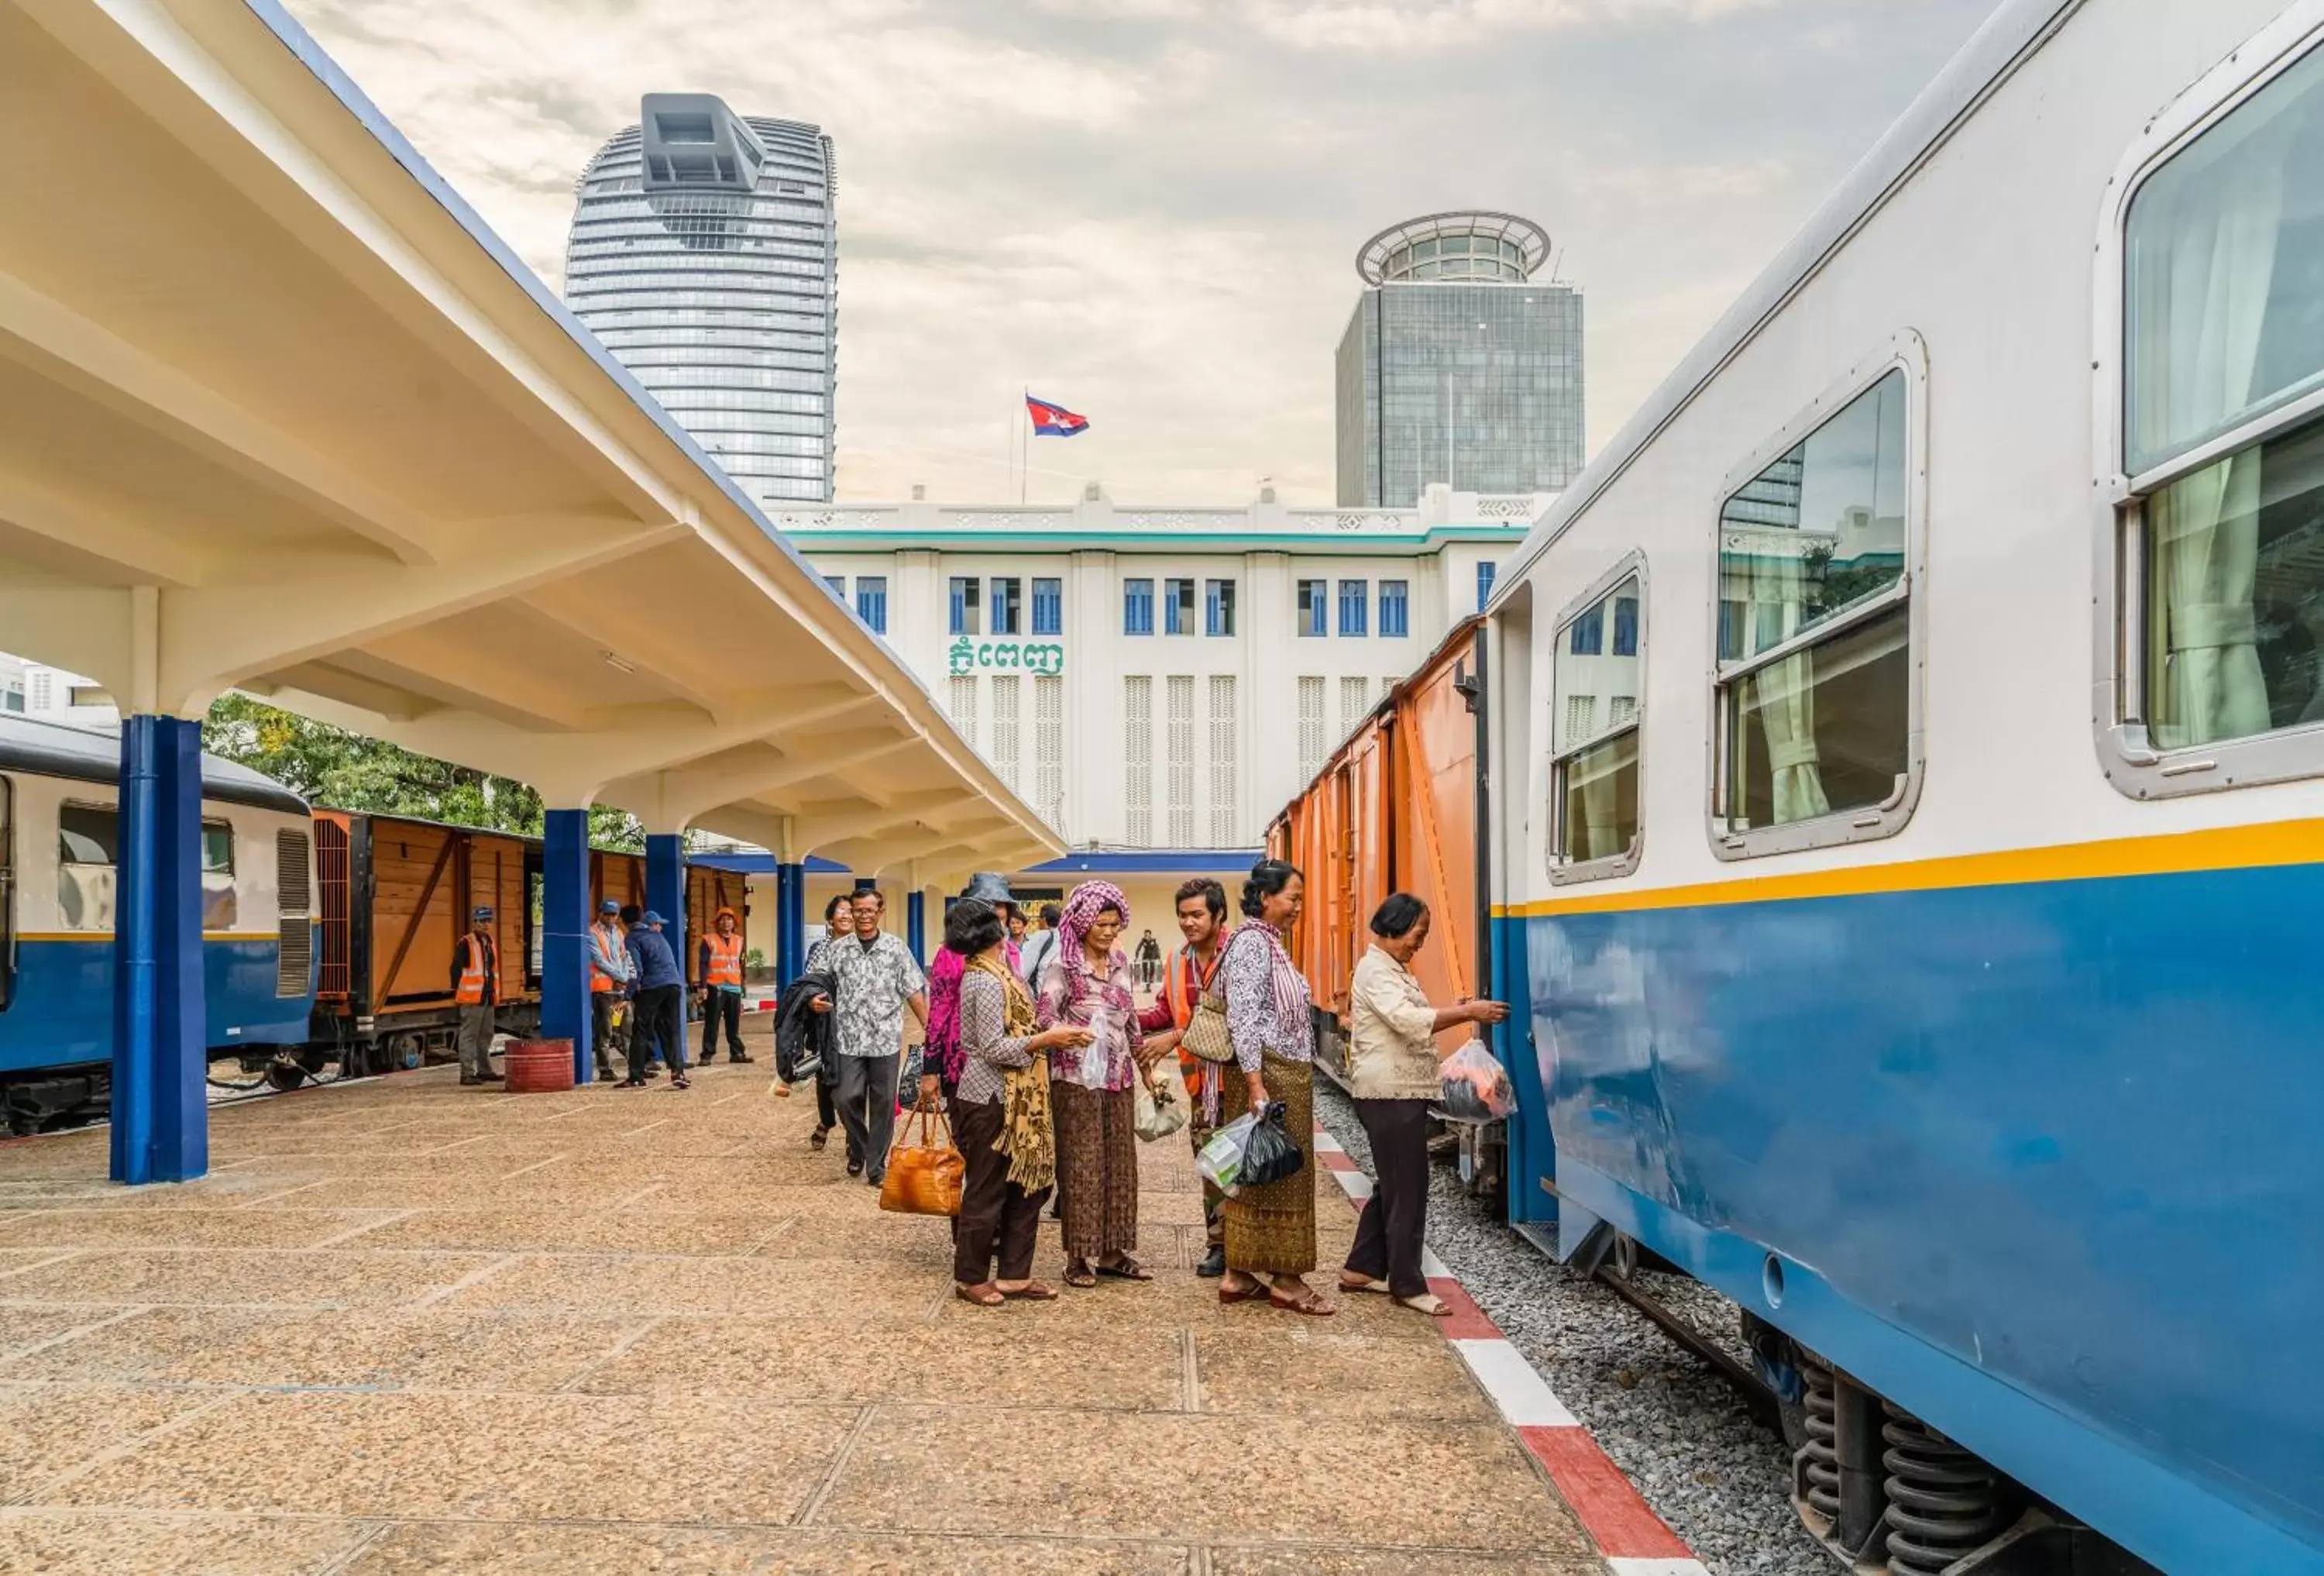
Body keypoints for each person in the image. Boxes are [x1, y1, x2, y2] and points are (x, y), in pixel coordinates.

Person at [1339, 893, 1508, 1316]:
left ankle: (1361, 1267)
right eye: (1418, 934)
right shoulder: (1376, 970)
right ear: (1395, 928)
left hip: (1400, 1090)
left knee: (1395, 1184)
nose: (1421, 943)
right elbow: (1408, 1020)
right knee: (1409, 1190)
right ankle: (1407, 1284)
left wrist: (1458, 1010)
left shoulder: (1392, 969)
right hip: (1389, 1093)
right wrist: (1468, 1012)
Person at [945, 897, 1093, 1306]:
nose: (1006, 922)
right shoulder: (986, 979)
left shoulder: (1001, 971)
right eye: (997, 920)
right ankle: (971, 1276)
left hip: (1021, 1096)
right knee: (988, 1186)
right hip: (993, 1095)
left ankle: (1014, 1274)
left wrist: (1053, 1033)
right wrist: (1047, 1041)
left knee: (1029, 1185)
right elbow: (992, 1046)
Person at [1216, 859, 1332, 1316]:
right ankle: (1285, 1280)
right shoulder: (1251, 945)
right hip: (1270, 1074)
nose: (1298, 907)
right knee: (1282, 1174)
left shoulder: (1270, 944)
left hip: (1280, 1072)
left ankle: (1239, 1275)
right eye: (1293, 897)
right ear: (1266, 898)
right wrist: (1255, 1084)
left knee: (1261, 1172)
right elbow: (1243, 1017)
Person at [1037, 880, 1159, 1288]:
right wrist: (1069, 1034)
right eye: (1101, 924)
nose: (1108, 932)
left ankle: (1113, 1252)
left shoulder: (1122, 962)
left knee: (1120, 1165)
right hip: (1075, 1081)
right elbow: (1044, 1018)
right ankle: (1077, 1257)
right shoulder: (1063, 967)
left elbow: (1132, 1020)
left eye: (1114, 924)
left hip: (1118, 1077)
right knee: (1082, 1165)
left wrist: (1145, 1067)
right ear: (1083, 924)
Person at [1136, 878, 1231, 1276]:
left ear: (1219, 915)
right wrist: (1120, 1018)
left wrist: (1172, 1038)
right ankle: (1220, 1245)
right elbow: (1164, 1011)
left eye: (1197, 915)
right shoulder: (1177, 958)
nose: (1188, 923)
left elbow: (1232, 1018)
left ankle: (1249, 1244)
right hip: (1201, 1085)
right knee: (1212, 1165)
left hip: (1240, 1079)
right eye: (1182, 915)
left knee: (1245, 1165)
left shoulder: (1236, 954)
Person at [810, 889, 927, 1185]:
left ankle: (876, 1168)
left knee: (884, 1104)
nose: (863, 915)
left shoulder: (895, 948)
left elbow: (913, 990)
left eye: (869, 910)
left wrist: (930, 1028)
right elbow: (818, 982)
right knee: (844, 1096)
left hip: (885, 1039)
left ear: (880, 911)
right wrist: (813, 1000)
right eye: (858, 910)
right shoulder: (837, 949)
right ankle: (861, 1146)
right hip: (848, 1038)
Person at [923, 873, 1022, 1106]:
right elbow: (939, 1011)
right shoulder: (951, 953)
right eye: (988, 906)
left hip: (1006, 1058)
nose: (996, 912)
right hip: (963, 1061)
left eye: (1000, 907)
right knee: (970, 1131)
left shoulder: (1013, 953)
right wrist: (930, 1069)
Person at [799, 894, 852, 1148]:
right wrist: (812, 1000)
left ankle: (855, 1133)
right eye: (841, 910)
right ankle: (827, 1121)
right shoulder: (820, 948)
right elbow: (809, 980)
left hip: (857, 1023)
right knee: (826, 1075)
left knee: (855, 1077)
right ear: (830, 918)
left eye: (851, 910)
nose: (847, 915)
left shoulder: (863, 947)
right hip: (825, 1020)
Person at [626, 910, 688, 1089]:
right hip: (674, 985)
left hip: (653, 986)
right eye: (658, 924)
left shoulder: (633, 938)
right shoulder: (660, 938)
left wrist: (628, 995)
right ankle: (678, 1072)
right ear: (650, 925)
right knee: (672, 1030)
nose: (660, 927)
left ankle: (636, 1076)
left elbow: (635, 970)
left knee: (641, 1029)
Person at [453, 905, 501, 1087]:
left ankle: (484, 1069)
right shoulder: (467, 943)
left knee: (486, 1035)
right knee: (470, 1036)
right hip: (472, 998)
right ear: (475, 923)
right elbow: (456, 970)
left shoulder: (490, 943)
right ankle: (467, 1073)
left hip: (487, 996)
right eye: (482, 921)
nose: (486, 924)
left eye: (488, 921)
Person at [696, 907, 752, 1065]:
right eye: (722, 919)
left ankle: (737, 1053)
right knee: (712, 1022)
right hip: (716, 985)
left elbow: (741, 963)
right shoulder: (709, 940)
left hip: (734, 985)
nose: (726, 922)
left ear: (734, 923)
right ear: (717, 923)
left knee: (733, 1022)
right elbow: (703, 964)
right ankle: (707, 1054)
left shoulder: (739, 940)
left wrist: (743, 982)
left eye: (729, 919)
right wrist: (703, 986)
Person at [586, 899, 632, 1084]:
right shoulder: (592, 933)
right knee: (604, 1030)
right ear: (600, 913)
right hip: (603, 990)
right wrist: (619, 977)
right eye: (607, 914)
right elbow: (598, 960)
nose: (611, 917)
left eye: (614, 914)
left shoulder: (619, 933)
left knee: (626, 1028)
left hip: (618, 991)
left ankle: (635, 1066)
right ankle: (605, 1069)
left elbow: (623, 956)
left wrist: (624, 978)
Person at [619, 904, 659, 1072]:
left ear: (621, 919)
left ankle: (643, 1061)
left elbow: (636, 968)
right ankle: (642, 1060)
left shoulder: (628, 937)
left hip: (636, 987)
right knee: (639, 1025)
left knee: (639, 1025)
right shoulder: (642, 937)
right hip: (637, 986)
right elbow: (637, 968)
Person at [1017, 901, 1064, 988]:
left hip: (1041, 993)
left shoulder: (1039, 937)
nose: (1038, 920)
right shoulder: (1066, 938)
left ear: (1044, 919)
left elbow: (1023, 972)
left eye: (1040, 917)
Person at [1134, 928, 1163, 993]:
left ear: (1150, 935)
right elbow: (1138, 948)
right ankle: (1147, 986)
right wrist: (1136, 957)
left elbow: (1157, 948)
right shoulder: (1143, 941)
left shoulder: (1153, 941)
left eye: (1148, 934)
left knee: (1152, 970)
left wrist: (1158, 957)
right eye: (1145, 935)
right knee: (1145, 971)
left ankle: (1149, 984)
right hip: (1145, 957)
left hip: (1152, 957)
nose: (1146, 936)